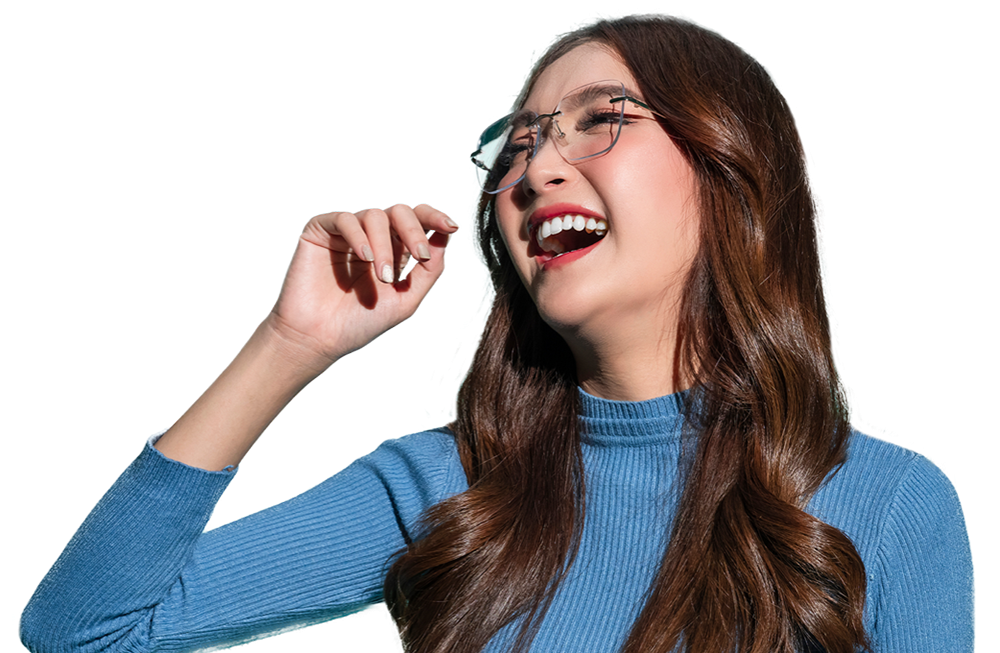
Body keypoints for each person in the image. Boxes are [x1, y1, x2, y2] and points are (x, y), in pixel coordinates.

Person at [18, 12, 974, 653]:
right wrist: (290, 343)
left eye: (602, 119)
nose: (535, 167)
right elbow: (83, 630)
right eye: (518, 141)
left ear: (730, 168)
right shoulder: (445, 486)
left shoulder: (885, 506)